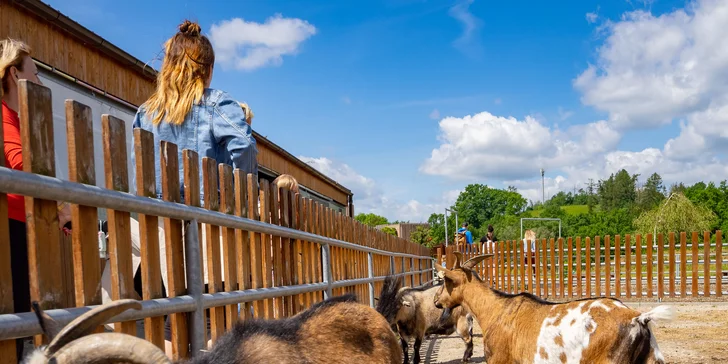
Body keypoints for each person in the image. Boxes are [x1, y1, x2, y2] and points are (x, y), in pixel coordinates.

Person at [100, 19, 259, 357]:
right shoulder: (217, 103)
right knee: (217, 316)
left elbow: (138, 168)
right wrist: (237, 192)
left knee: (173, 312)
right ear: (208, 69)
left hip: (160, 227)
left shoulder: (146, 112)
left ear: (168, 65)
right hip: (207, 227)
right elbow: (244, 146)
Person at [1, 37, 73, 361]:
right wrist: (57, 203)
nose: (41, 80)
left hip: (19, 229)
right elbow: (21, 165)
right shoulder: (4, 117)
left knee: (18, 326)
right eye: (35, 71)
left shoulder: (16, 120)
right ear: (15, 75)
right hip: (10, 232)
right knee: (12, 325)